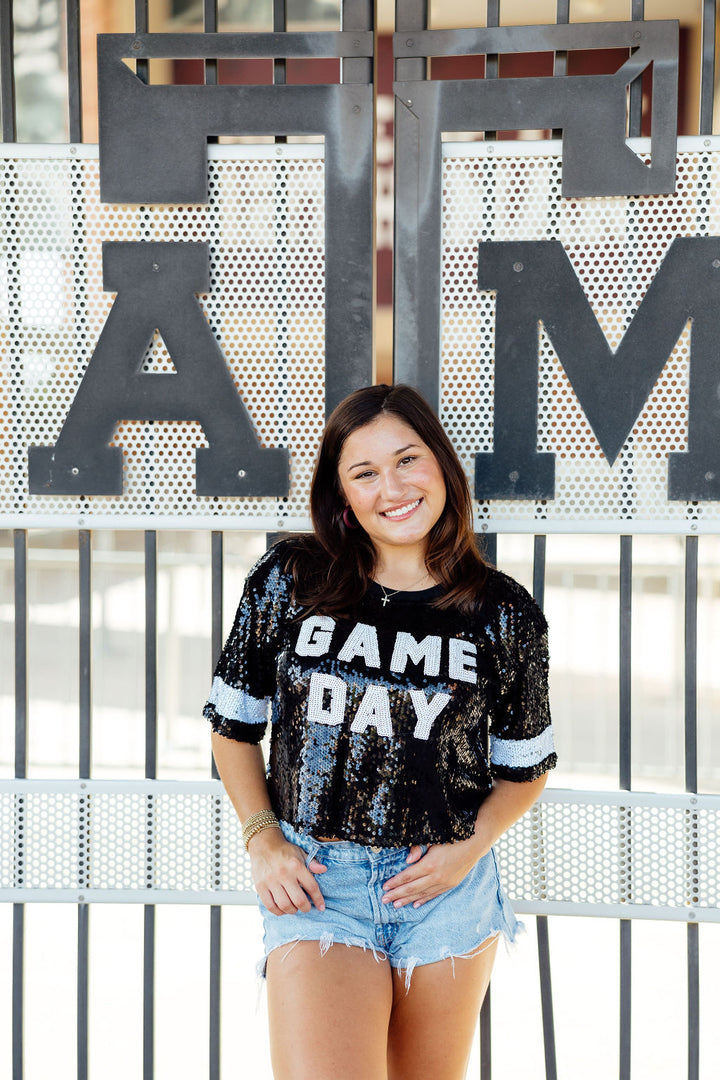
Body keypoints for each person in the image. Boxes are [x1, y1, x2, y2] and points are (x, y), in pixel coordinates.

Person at [204, 383, 556, 1080]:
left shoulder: (502, 612)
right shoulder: (291, 579)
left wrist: (468, 850)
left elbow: (526, 768)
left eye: (407, 460)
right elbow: (232, 729)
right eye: (364, 473)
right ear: (341, 494)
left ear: (443, 469)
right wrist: (264, 839)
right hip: (320, 884)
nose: (391, 487)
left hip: (444, 886)